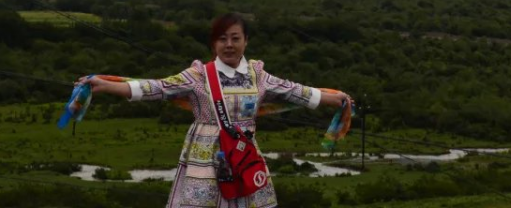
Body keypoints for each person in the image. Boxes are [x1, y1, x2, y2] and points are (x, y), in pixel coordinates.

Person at [77, 12, 351, 208]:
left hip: (243, 152)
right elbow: (156, 88)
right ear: (213, 44)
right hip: (204, 155)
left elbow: (297, 92)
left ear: (246, 41)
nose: (229, 45)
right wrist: (106, 85)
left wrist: (337, 99)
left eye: (235, 38)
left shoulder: (259, 74)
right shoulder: (198, 75)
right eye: (222, 39)